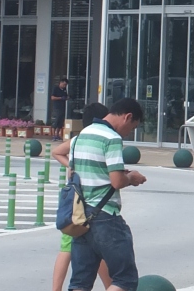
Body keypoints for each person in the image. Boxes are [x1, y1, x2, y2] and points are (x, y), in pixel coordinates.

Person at [54, 98, 149, 291]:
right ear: (127, 117)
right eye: (132, 127)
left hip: (81, 217)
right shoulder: (112, 138)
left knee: (80, 282)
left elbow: (80, 172)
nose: (128, 133)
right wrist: (131, 178)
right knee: (125, 279)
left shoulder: (81, 136)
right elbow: (117, 181)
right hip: (105, 216)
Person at [51, 103, 112, 291]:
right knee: (96, 248)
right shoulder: (98, 140)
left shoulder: (78, 140)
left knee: (69, 247)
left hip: (73, 200)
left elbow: (56, 151)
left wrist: (71, 165)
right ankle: (112, 286)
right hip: (90, 202)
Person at [51, 78, 70, 142]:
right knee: (55, 121)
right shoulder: (56, 88)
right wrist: (60, 98)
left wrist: (67, 98)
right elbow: (52, 97)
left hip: (62, 107)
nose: (64, 86)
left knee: (60, 122)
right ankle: (53, 135)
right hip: (57, 107)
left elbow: (66, 96)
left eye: (66, 85)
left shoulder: (64, 90)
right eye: (64, 84)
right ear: (60, 83)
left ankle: (57, 135)